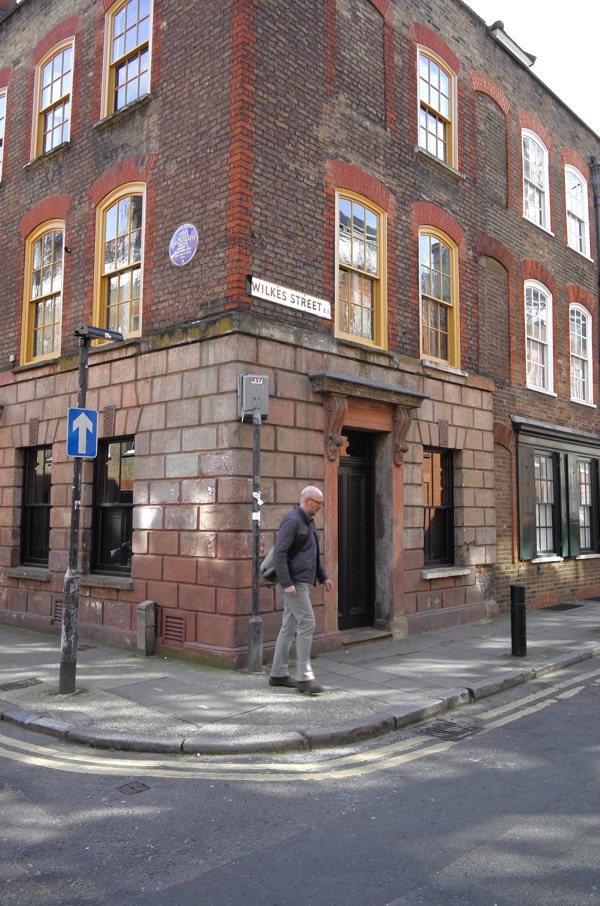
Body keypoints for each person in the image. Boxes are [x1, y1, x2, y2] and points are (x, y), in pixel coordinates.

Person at [269, 485, 333, 695]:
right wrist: (286, 583)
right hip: (293, 582)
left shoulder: (308, 522)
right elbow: (280, 553)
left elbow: (313, 553)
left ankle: (278, 674)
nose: (321, 507)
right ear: (307, 501)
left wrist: (323, 577)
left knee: (289, 626)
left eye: (322, 503)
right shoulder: (292, 520)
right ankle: (305, 677)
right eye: (318, 503)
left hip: (300, 581)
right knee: (307, 622)